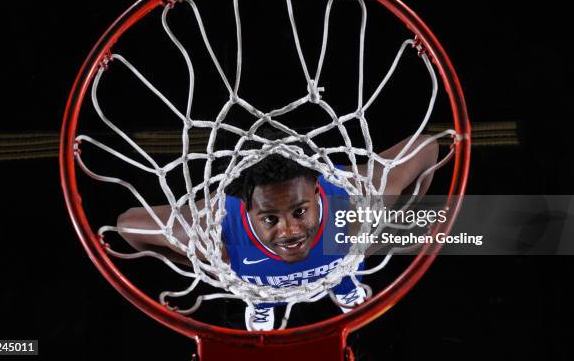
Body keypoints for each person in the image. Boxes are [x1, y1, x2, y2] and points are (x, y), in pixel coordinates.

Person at [117, 132, 438, 330]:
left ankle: (345, 292)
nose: (290, 231)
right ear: (245, 206)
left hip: (340, 264)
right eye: (270, 218)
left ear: (315, 189)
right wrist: (208, 264)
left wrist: (383, 230)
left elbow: (427, 148)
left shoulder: (356, 201)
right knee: (260, 295)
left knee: (345, 273)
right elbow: (126, 225)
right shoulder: (213, 230)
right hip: (260, 283)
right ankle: (261, 308)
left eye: (299, 211)